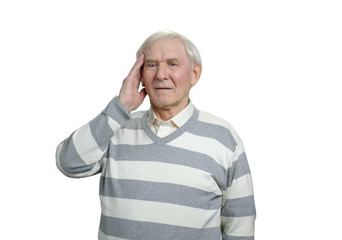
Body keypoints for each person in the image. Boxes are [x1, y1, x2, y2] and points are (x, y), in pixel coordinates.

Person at [56, 30, 256, 240]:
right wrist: (120, 107)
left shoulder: (223, 138)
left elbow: (240, 226)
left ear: (194, 74)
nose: (161, 74)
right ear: (139, 75)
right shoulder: (115, 128)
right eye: (151, 65)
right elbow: (68, 163)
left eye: (172, 64)